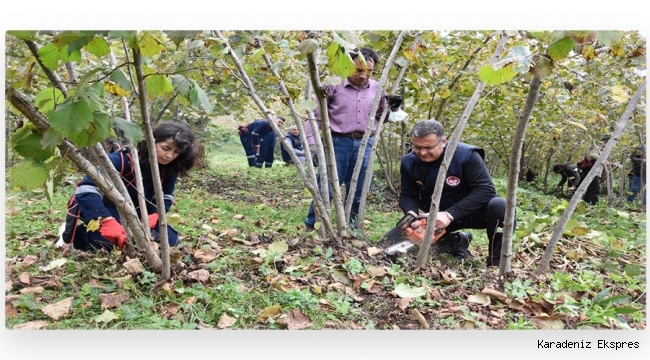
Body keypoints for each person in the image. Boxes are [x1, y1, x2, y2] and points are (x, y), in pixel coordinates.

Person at [304, 46, 400, 230]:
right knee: (327, 187)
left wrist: (393, 108)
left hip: (366, 143)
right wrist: (313, 145)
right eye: (359, 70)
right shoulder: (332, 85)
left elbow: (381, 117)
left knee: (359, 189)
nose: (364, 75)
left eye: (369, 71)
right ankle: (314, 224)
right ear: (348, 65)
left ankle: (353, 226)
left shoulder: (378, 88)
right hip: (337, 142)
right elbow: (314, 115)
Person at [62, 122, 198, 251]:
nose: (169, 156)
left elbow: (166, 196)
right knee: (114, 243)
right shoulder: (121, 160)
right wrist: (105, 220)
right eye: (165, 148)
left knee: (171, 242)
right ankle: (80, 235)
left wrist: (155, 214)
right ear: (151, 141)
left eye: (176, 152)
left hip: (139, 211)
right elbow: (86, 188)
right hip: (108, 207)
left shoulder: (171, 167)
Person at [399, 120, 510, 267]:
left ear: (443, 141)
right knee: (409, 240)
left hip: (473, 211)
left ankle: (495, 262)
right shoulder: (409, 162)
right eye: (417, 147)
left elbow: (486, 190)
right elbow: (408, 194)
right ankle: (457, 242)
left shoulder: (466, 155)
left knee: (501, 206)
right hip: (436, 216)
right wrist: (411, 213)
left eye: (428, 147)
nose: (423, 152)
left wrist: (450, 214)